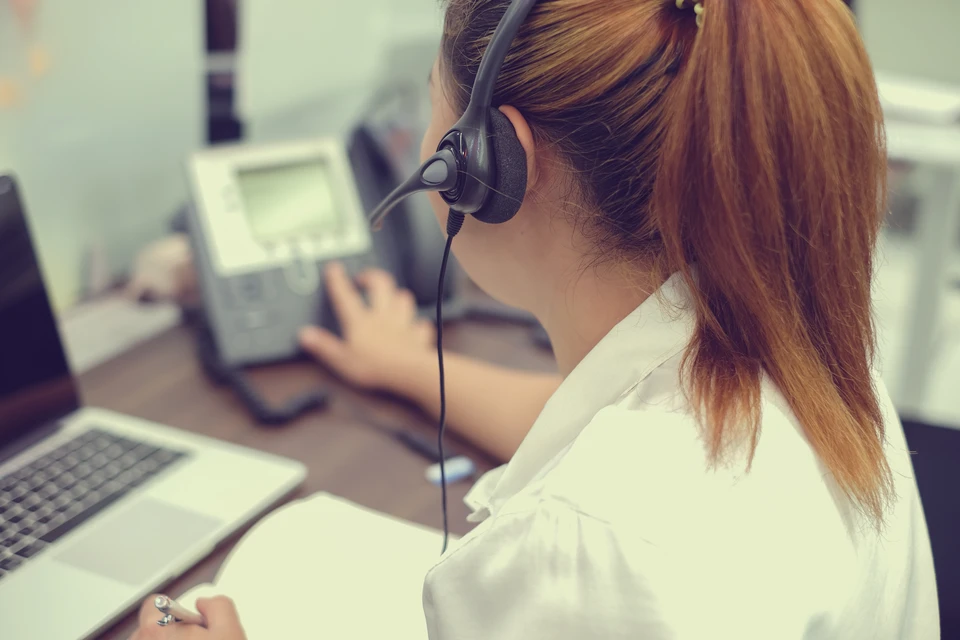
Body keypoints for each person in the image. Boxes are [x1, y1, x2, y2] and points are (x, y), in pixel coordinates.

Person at [131, 0, 938, 637]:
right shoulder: (796, 338)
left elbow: (603, 515)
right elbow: (590, 424)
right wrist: (407, 367)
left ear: (492, 162)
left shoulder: (599, 557)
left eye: (430, 106)